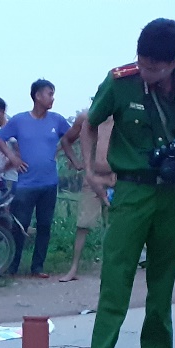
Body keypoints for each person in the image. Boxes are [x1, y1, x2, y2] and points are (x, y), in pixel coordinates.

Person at [84, 19, 175, 348]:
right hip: (131, 193)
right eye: (141, 62)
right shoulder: (120, 81)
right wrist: (90, 171)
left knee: (162, 282)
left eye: (153, 68)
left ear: (173, 63)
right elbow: (90, 123)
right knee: (116, 279)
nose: (144, 71)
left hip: (173, 194)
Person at [0, 79, 82, 278]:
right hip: (26, 184)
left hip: (49, 183)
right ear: (37, 96)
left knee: (44, 226)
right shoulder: (19, 120)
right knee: (19, 226)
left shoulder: (57, 120)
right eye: (49, 94)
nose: (52, 98)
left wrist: (74, 158)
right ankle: (12, 267)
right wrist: (13, 158)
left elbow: (69, 138)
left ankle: (37, 267)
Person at [59, 110, 114, 283]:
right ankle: (74, 268)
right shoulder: (86, 117)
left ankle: (113, 267)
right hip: (92, 178)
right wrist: (77, 163)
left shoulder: (121, 116)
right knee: (83, 224)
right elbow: (66, 140)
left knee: (115, 224)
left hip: (115, 178)